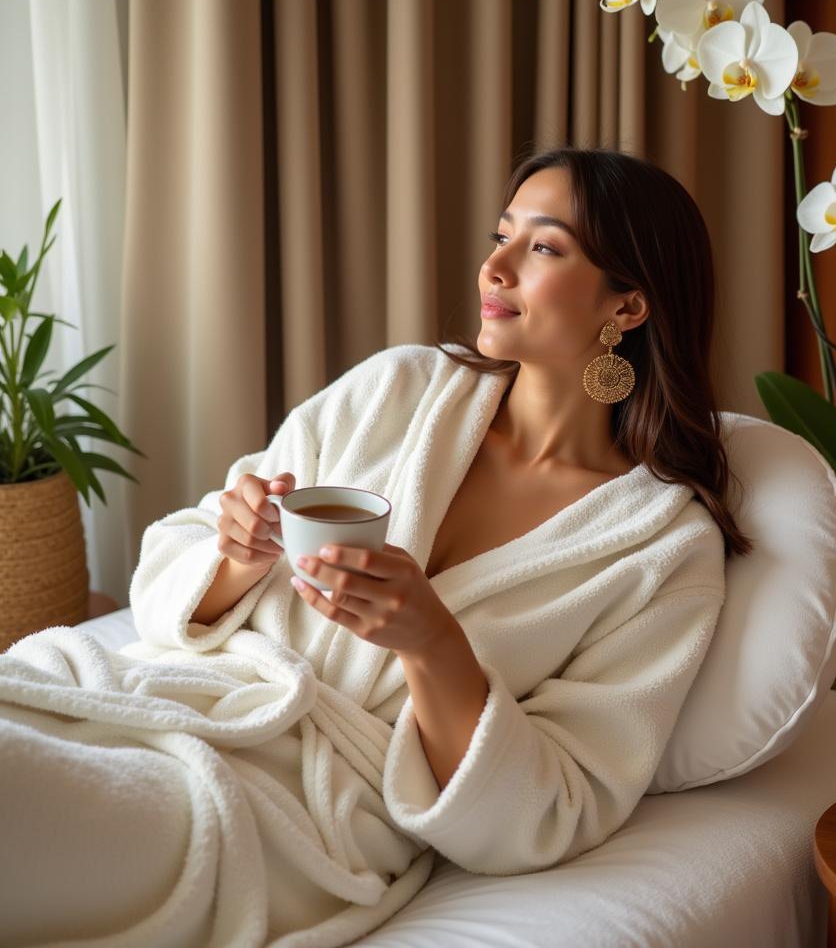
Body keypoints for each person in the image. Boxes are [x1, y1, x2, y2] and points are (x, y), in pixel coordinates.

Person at [0, 147, 750, 947]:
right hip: (150, 693)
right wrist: (239, 554)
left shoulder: (661, 546)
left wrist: (431, 643)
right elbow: (177, 561)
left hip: (281, 803)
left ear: (628, 307)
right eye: (502, 236)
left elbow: (555, 807)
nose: (493, 268)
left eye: (542, 247)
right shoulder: (398, 389)